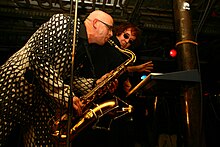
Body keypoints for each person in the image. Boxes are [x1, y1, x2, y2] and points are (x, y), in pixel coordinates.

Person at [0, 10, 119, 146]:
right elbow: (38, 58)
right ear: (96, 23)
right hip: (13, 90)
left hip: (40, 102)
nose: (111, 34)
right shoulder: (63, 23)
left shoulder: (85, 48)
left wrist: (95, 84)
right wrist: (67, 96)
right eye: (109, 28)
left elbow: (67, 79)